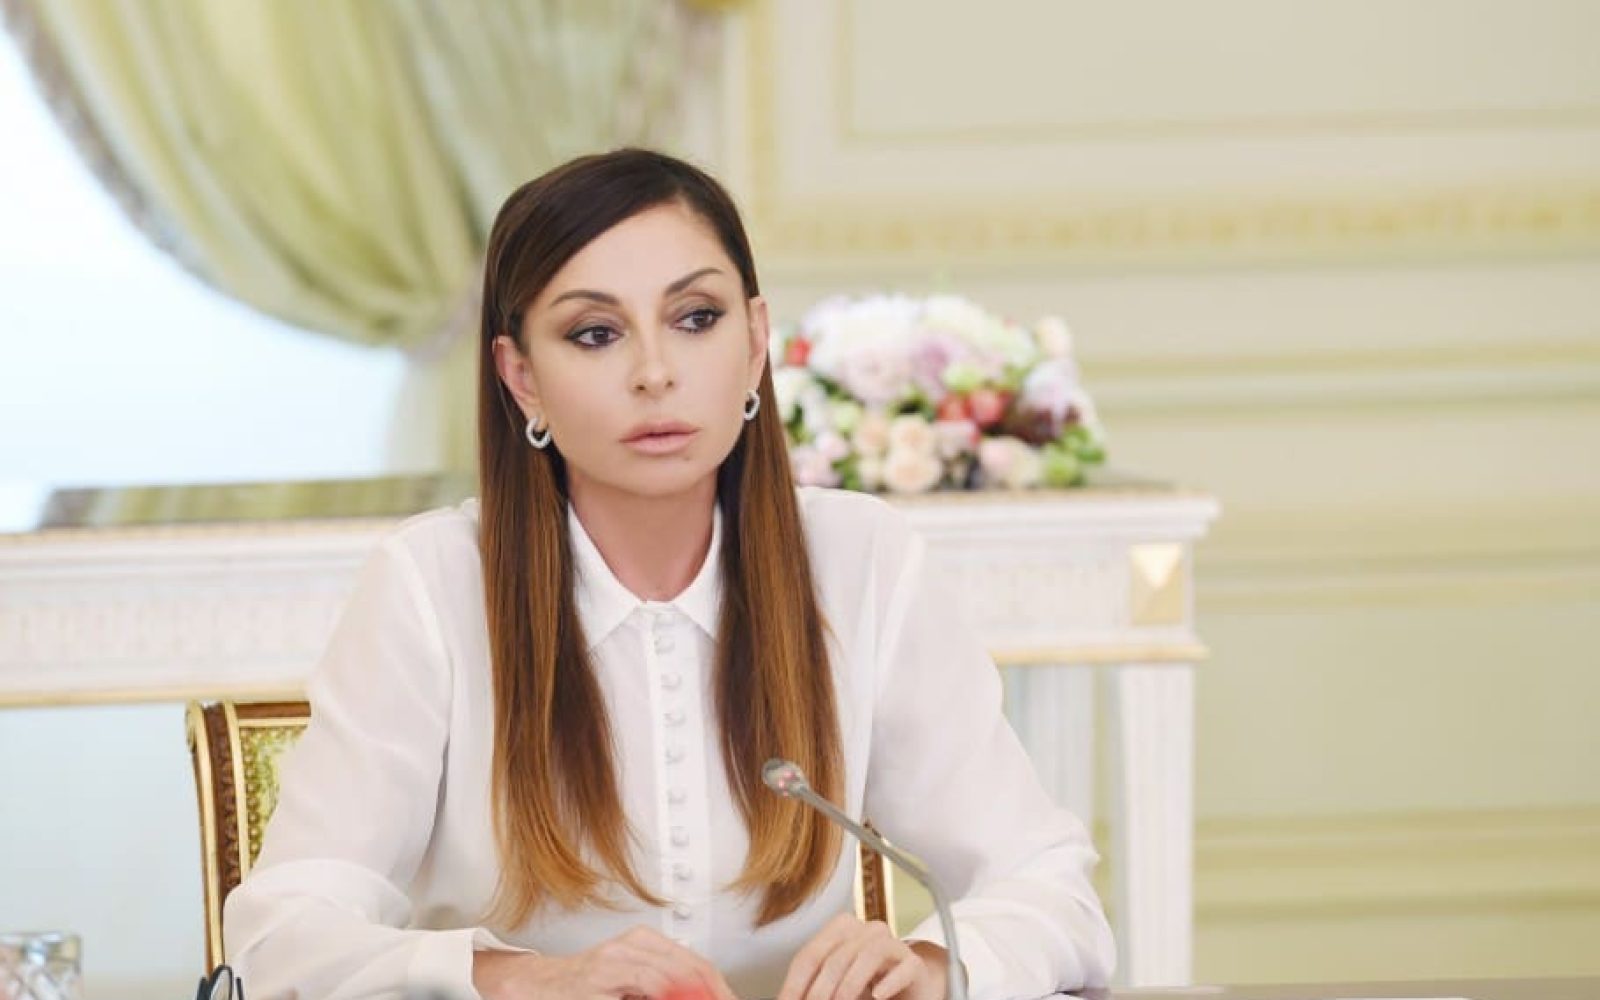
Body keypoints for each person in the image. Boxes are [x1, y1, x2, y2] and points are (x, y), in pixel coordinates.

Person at [224, 148, 1114, 1000]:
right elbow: (282, 939)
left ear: (755, 341)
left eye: (695, 319)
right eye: (596, 333)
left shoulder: (862, 561)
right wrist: (522, 981)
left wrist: (928, 964)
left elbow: (1051, 888)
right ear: (521, 376)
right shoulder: (430, 585)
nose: (655, 373)